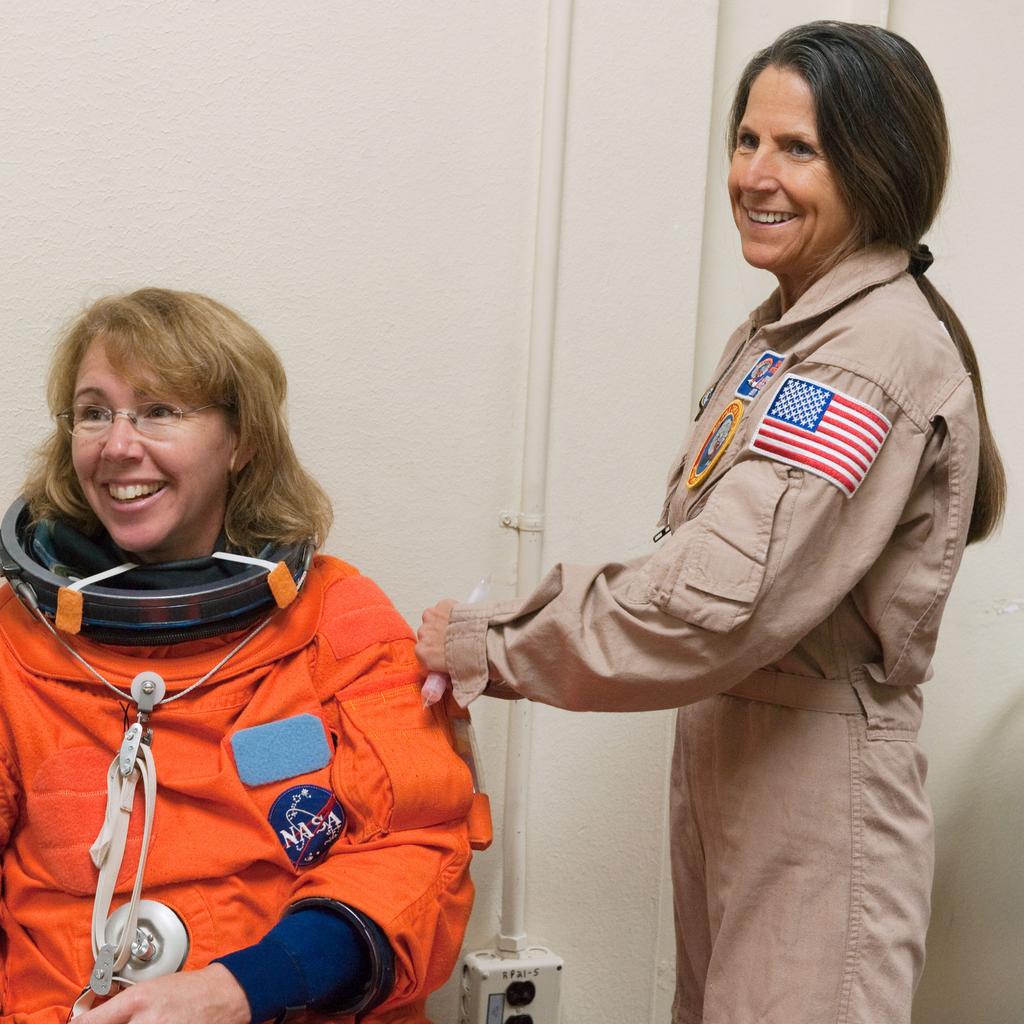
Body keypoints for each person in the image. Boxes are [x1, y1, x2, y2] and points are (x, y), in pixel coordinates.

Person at [417, 21, 1005, 1024]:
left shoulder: (863, 355)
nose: (753, 174)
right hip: (741, 775)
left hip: (814, 803)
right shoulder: (787, 333)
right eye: (745, 140)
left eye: (796, 148)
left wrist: (493, 642)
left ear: (875, 167)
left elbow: (715, 604)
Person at [0, 288, 475, 1024]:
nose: (119, 445)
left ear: (241, 440)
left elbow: (418, 848)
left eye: (160, 411)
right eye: (95, 412)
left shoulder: (338, 624)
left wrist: (244, 988)